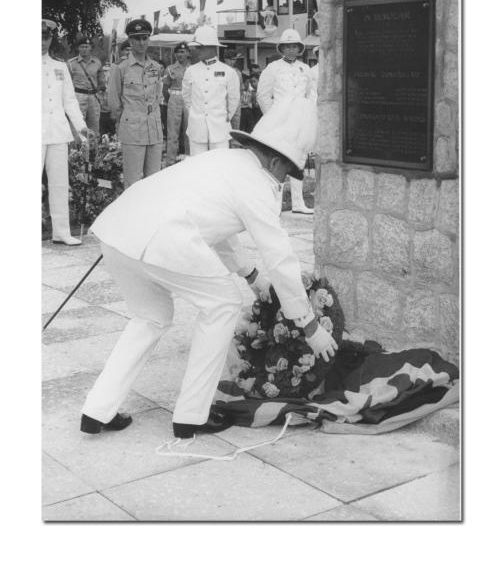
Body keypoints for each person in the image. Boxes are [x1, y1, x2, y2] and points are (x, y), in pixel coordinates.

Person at [80, 97, 337, 438]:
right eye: (286, 171)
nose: (283, 178)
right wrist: (308, 325)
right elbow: (280, 255)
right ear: (276, 159)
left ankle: (96, 410)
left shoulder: (223, 160)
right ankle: (191, 416)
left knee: (150, 318)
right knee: (223, 304)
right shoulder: (259, 183)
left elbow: (218, 226)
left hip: (118, 231)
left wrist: (251, 275)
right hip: (161, 237)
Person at [42, 19, 93, 246]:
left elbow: (70, 101)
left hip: (58, 132)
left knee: (60, 183)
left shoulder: (60, 66)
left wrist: (82, 129)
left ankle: (61, 232)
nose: (42, 42)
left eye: (46, 37)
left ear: (51, 38)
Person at [257, 28, 314, 214]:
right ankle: (275, 203)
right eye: (287, 47)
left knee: (299, 160)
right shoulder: (273, 68)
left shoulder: (305, 69)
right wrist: (272, 117)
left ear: (300, 49)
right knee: (278, 162)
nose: (291, 50)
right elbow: (263, 95)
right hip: (279, 121)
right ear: (281, 48)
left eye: (294, 47)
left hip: (299, 120)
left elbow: (308, 94)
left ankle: (298, 203)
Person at [107, 19, 164, 188]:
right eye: (137, 38)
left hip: (154, 130)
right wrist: (125, 119)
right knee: (132, 182)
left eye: (144, 38)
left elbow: (158, 95)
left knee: (154, 181)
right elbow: (114, 101)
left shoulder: (156, 67)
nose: (141, 42)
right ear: (130, 41)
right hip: (132, 130)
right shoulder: (120, 67)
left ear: (149, 39)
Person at [182, 26, 240, 155]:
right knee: (197, 168)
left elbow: (233, 100)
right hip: (197, 128)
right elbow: (186, 97)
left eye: (200, 47)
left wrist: (224, 117)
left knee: (219, 167)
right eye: (196, 47)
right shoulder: (190, 71)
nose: (197, 51)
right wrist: (195, 114)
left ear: (212, 47)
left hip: (220, 128)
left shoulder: (228, 72)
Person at [67, 37, 106, 136]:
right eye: (82, 47)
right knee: (77, 125)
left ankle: (94, 150)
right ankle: (76, 149)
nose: (84, 49)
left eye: (86, 46)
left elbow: (101, 79)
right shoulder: (71, 63)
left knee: (94, 125)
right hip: (78, 96)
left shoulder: (97, 62)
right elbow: (67, 83)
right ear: (78, 48)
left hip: (93, 97)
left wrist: (100, 92)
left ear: (90, 48)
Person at [163, 42, 191, 165]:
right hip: (174, 98)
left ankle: (190, 159)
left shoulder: (193, 69)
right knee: (172, 132)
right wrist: (170, 100)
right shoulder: (170, 69)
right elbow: (165, 89)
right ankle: (170, 161)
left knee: (189, 131)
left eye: (183, 52)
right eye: (178, 52)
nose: (181, 54)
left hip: (189, 100)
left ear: (188, 53)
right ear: (175, 54)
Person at [223, 48, 244, 145]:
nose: (232, 61)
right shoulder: (220, 71)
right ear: (225, 59)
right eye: (230, 59)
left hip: (236, 102)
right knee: (223, 127)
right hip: (223, 102)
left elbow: (241, 88)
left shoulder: (238, 72)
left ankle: (234, 148)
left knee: (235, 128)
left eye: (234, 59)